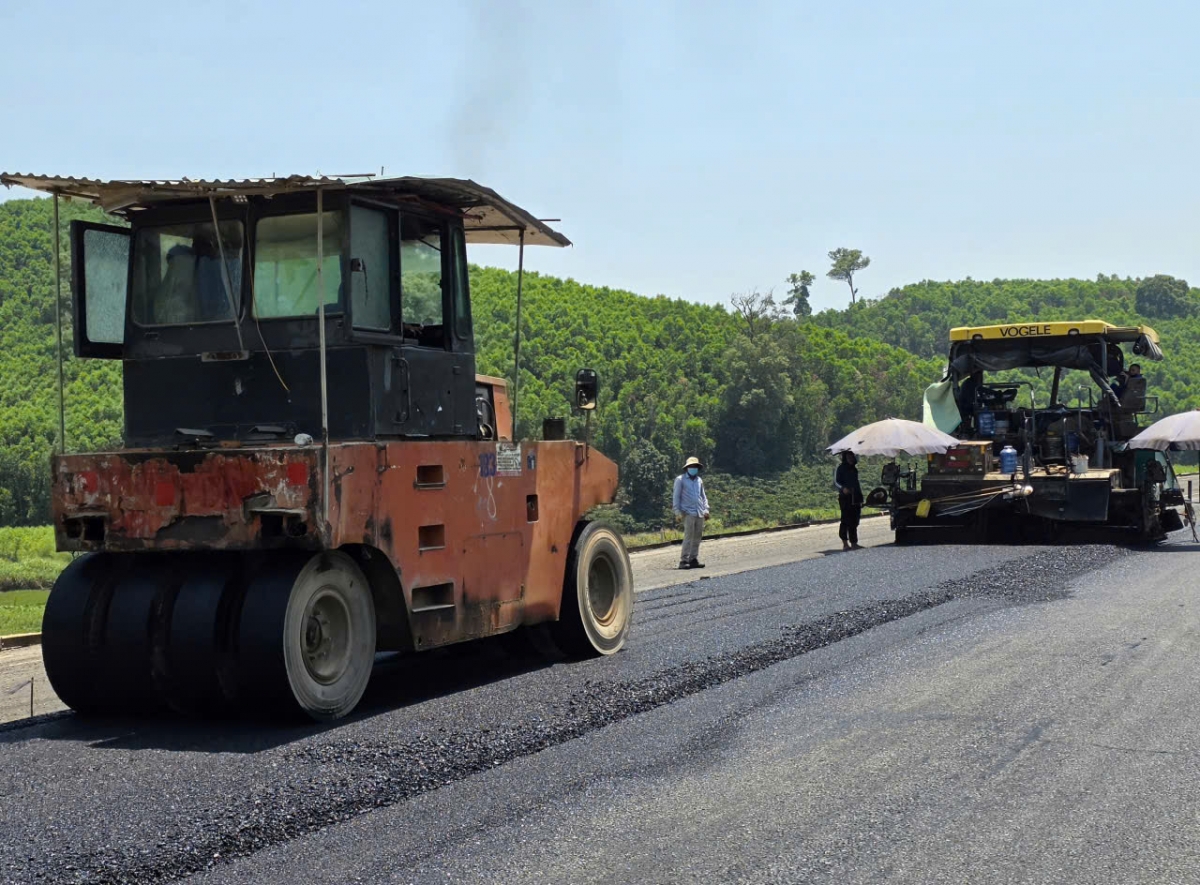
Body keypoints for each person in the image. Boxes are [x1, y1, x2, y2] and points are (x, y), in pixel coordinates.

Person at [672, 456, 710, 569]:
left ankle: (693, 559)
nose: (693, 468)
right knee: (688, 537)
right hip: (688, 512)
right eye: (691, 466)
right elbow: (676, 497)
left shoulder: (699, 480)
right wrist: (677, 512)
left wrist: (706, 509)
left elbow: (703, 496)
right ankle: (684, 560)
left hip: (699, 512)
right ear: (687, 468)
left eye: (695, 466)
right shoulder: (680, 480)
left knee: (697, 537)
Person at [835, 450, 864, 551]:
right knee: (845, 520)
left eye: (852, 456)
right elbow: (836, 482)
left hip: (855, 497)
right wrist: (843, 488)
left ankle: (854, 543)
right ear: (845, 457)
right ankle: (845, 544)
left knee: (854, 521)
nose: (851, 458)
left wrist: (860, 498)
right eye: (848, 456)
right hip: (845, 498)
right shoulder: (840, 468)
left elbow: (857, 484)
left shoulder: (854, 469)